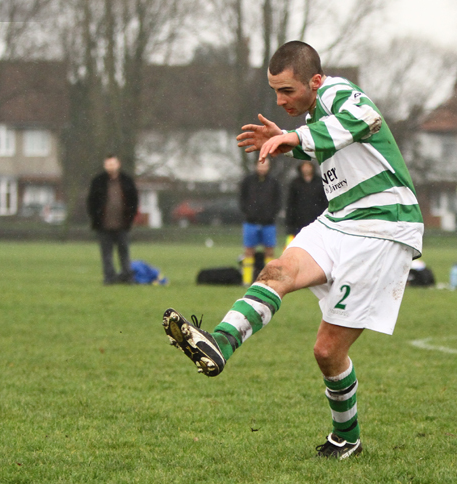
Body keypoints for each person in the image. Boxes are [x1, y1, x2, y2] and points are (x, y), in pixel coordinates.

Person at [162, 41, 423, 459]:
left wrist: (292, 136)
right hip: (341, 220)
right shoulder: (315, 116)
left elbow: (366, 118)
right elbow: (325, 140)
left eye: (287, 91)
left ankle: (347, 438)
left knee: (327, 351)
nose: (281, 100)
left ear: (315, 81)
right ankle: (221, 343)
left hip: (383, 225)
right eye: (275, 92)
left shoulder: (337, 92)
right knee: (276, 271)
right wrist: (290, 141)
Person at [87, 154, 139, 285]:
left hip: (123, 225)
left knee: (124, 253)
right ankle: (109, 278)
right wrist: (95, 218)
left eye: (113, 163)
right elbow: (91, 202)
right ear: (105, 165)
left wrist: (130, 218)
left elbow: (134, 200)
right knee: (106, 255)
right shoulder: (98, 182)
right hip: (103, 226)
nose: (111, 166)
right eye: (108, 164)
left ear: (118, 164)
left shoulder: (127, 181)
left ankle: (127, 277)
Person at [239, 158, 281, 285]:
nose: (263, 168)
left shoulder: (274, 182)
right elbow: (242, 199)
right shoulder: (248, 181)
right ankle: (246, 280)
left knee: (269, 251)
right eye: (260, 165)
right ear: (256, 165)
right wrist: (248, 212)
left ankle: (268, 280)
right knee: (248, 251)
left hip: (268, 223)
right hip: (250, 222)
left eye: (265, 165)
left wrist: (271, 214)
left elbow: (278, 202)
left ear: (269, 167)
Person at [284, 160, 327, 247]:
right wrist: (290, 222)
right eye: (304, 166)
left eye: (308, 166)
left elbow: (325, 202)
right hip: (298, 222)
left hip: (316, 221)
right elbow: (291, 203)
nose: (306, 169)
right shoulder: (295, 183)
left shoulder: (320, 182)